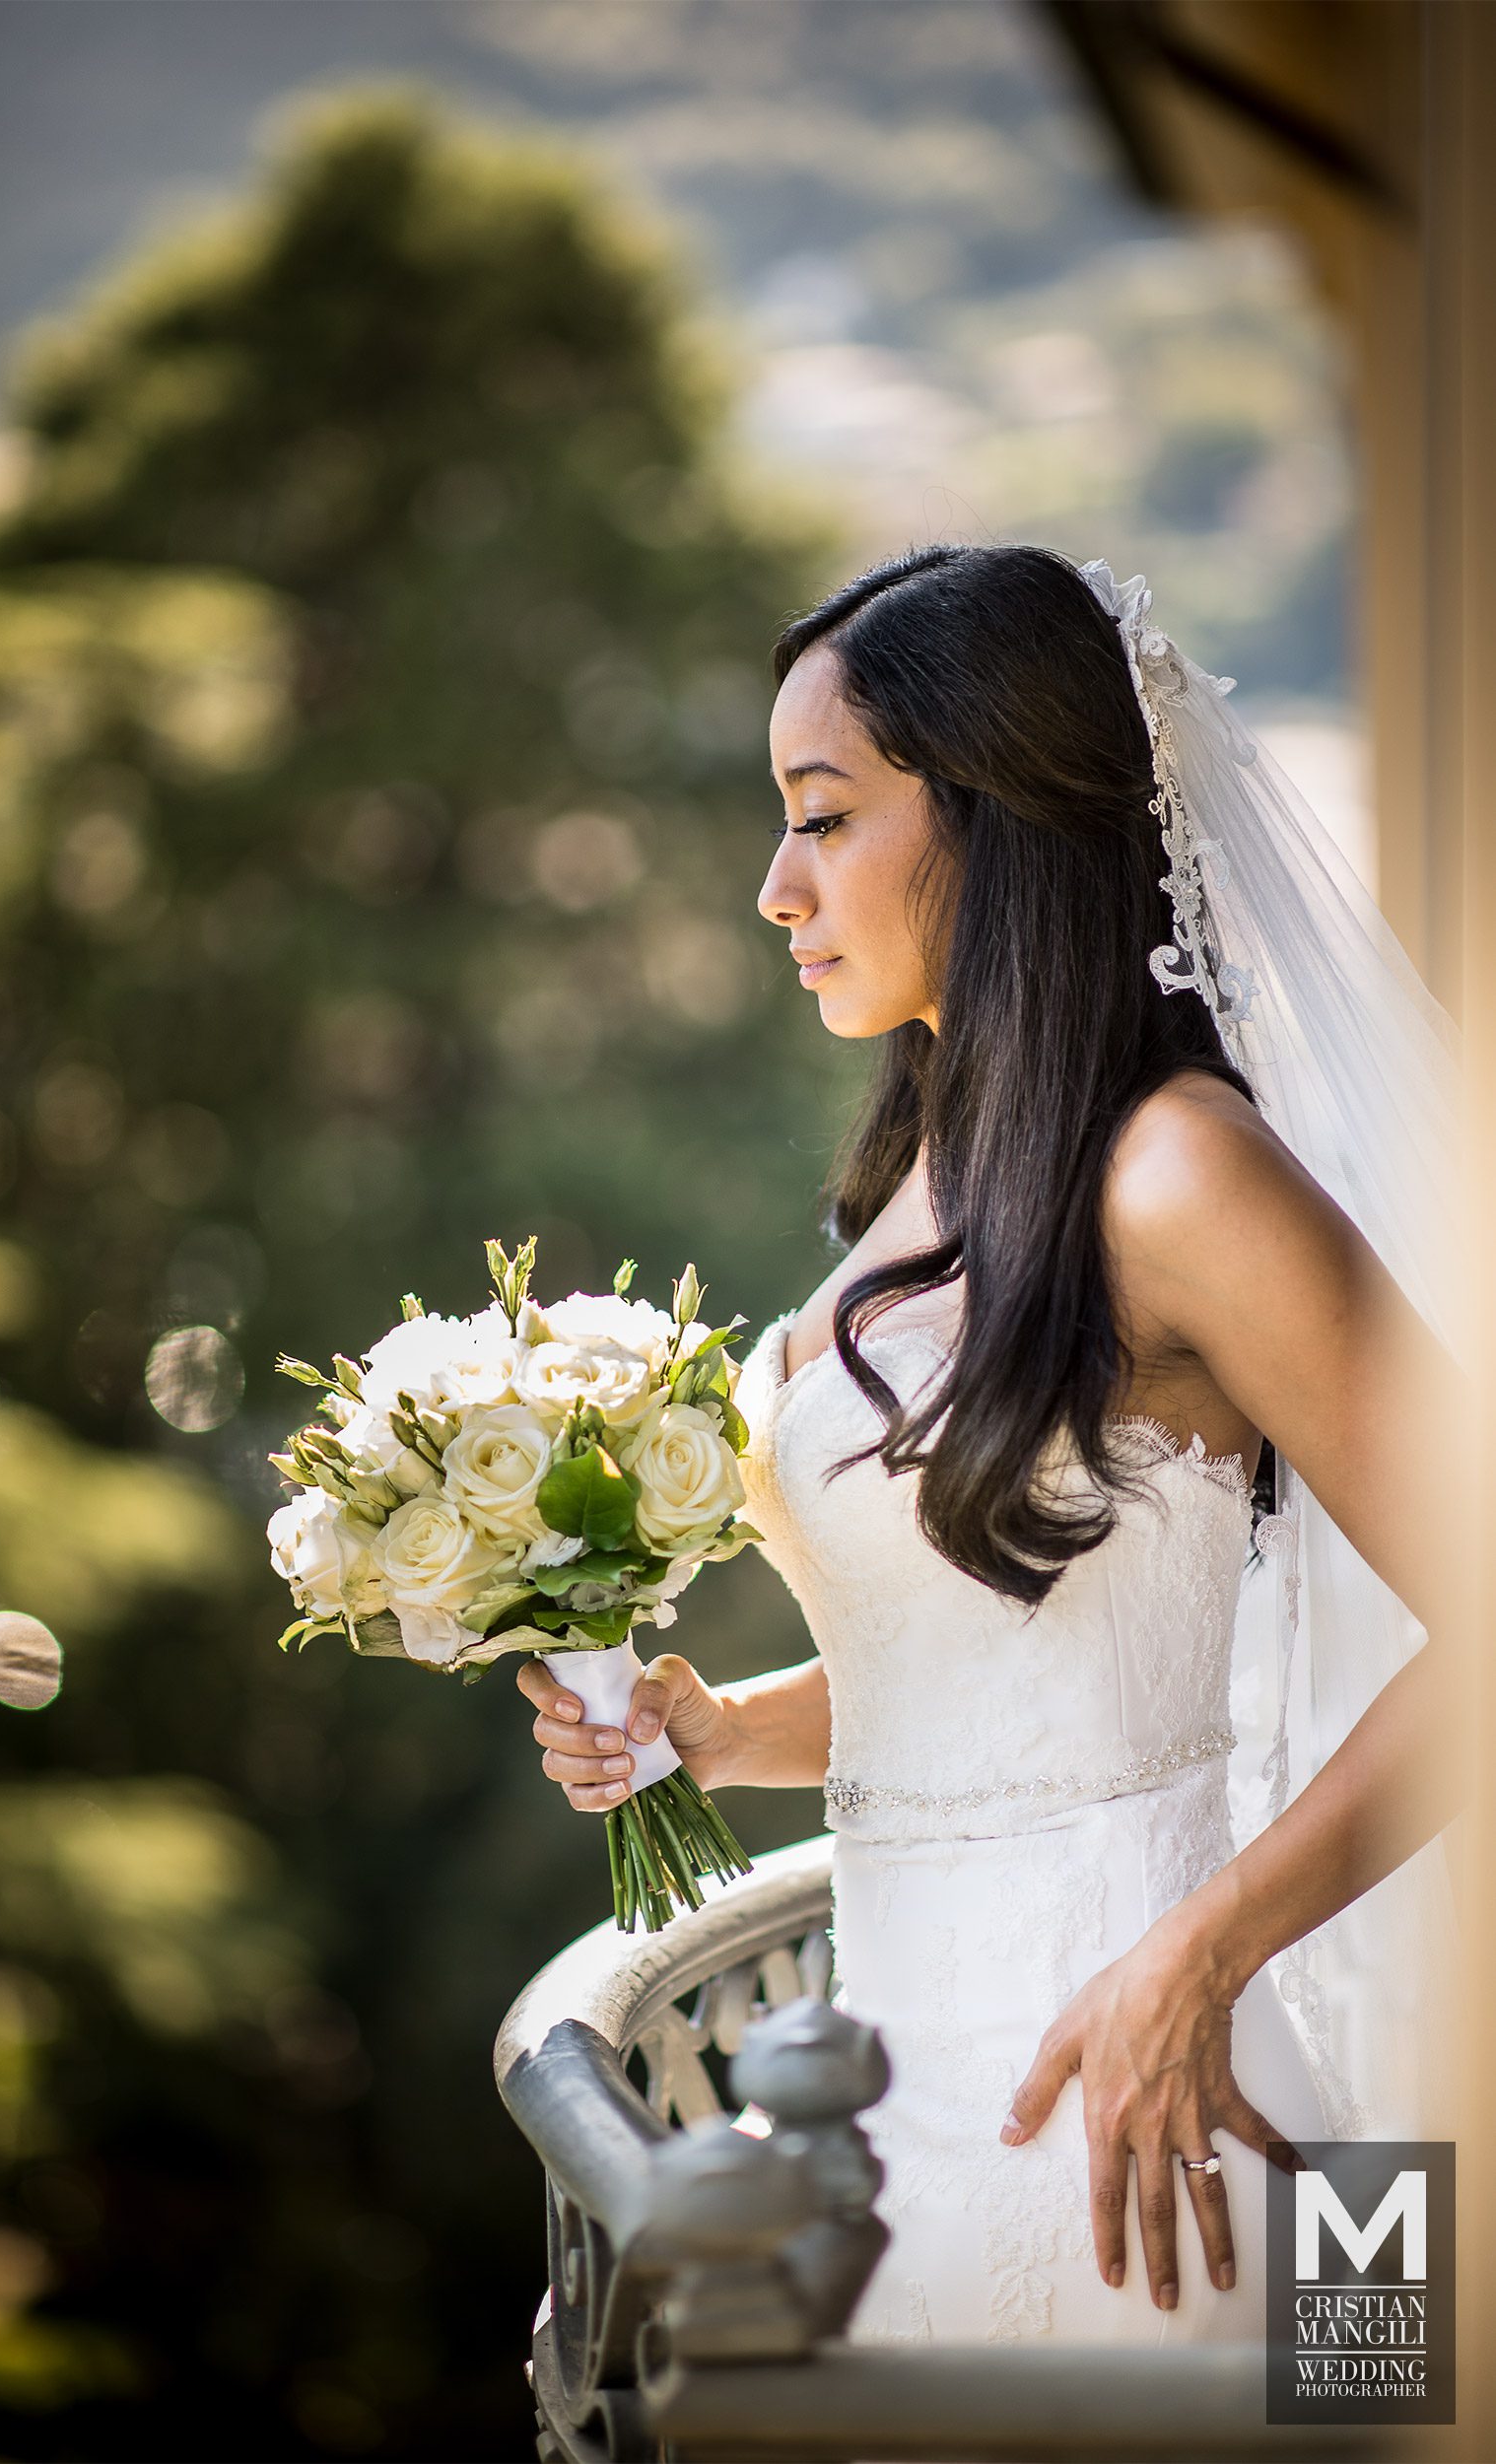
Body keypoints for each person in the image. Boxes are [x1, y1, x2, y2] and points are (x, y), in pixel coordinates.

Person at [514, 542, 1466, 2348]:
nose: (776, 888)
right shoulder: (921, 1178)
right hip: (890, 2103)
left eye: (825, 817)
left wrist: (1202, 1957)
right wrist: (722, 1729)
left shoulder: (1180, 1173)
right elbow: (998, 1664)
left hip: (1154, 2116)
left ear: (995, 811)